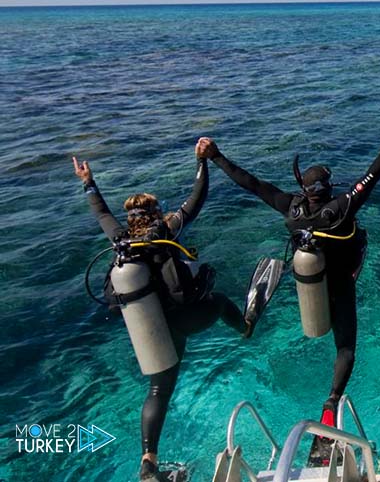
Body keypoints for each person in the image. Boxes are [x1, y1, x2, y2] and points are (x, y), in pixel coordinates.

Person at [197, 120, 380, 466]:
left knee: (288, 276)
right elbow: (373, 174)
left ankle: (248, 320)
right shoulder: (342, 207)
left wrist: (216, 155)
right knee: (345, 348)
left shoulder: (290, 209)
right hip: (341, 285)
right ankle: (331, 403)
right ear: (327, 188)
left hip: (307, 288)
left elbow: (251, 183)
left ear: (304, 188)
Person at [72, 143, 248, 482]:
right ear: (155, 214)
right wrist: (202, 162)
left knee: (158, 392)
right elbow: (197, 197)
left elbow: (102, 215)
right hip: (183, 321)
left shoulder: (121, 241)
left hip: (150, 330)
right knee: (223, 301)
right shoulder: (166, 231)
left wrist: (89, 183)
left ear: (131, 220)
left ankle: (148, 463)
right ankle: (247, 328)